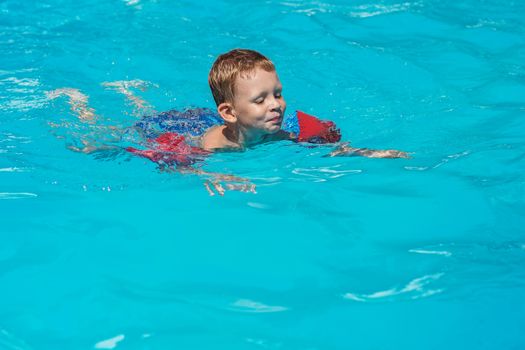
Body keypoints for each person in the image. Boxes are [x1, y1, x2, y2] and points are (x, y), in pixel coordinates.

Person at [48, 49, 409, 195]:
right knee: (110, 136)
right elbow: (177, 164)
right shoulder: (213, 146)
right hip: (180, 130)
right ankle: (79, 101)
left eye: (278, 93)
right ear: (230, 112)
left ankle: (133, 92)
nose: (276, 106)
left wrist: (367, 153)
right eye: (261, 99)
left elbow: (323, 148)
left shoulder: (278, 135)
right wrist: (214, 175)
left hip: (207, 117)